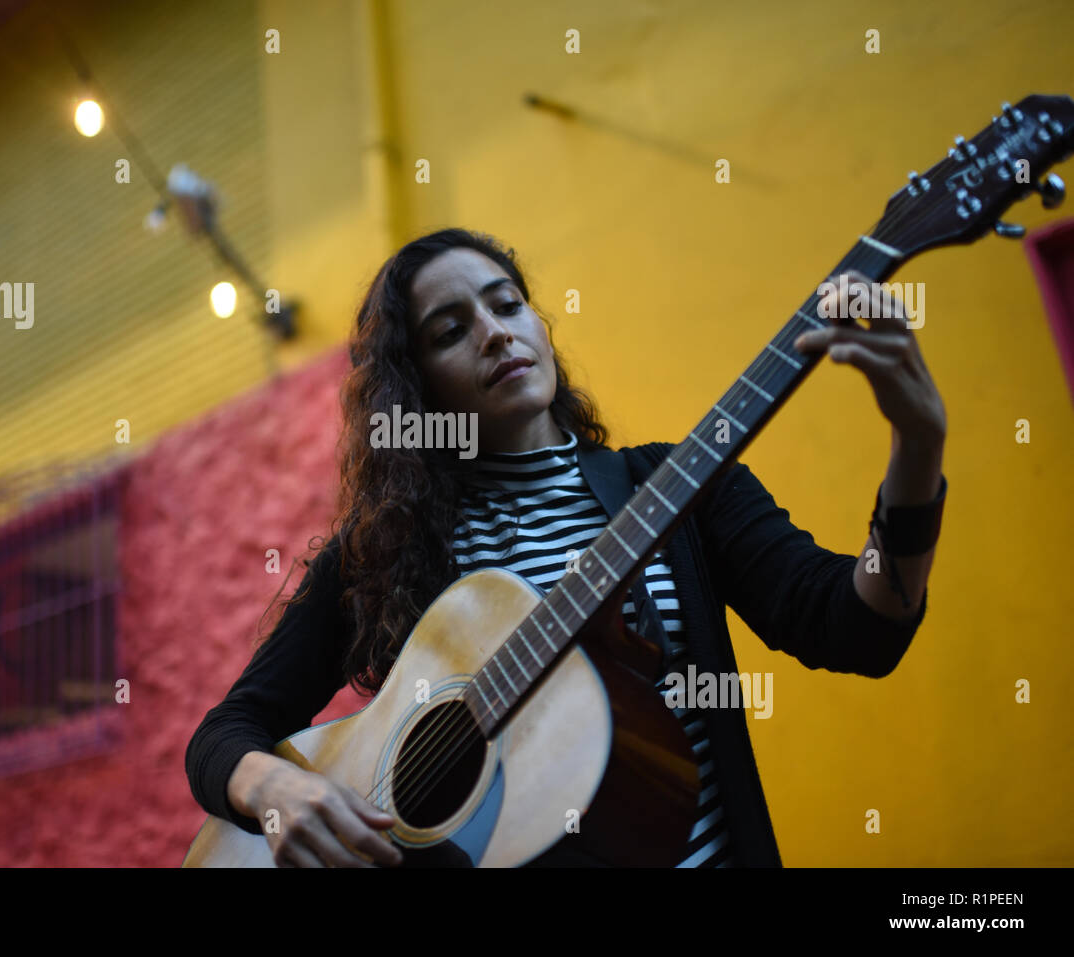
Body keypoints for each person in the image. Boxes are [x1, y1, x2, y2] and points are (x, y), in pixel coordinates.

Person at [185, 228, 948, 867]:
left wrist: (917, 450)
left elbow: (858, 629)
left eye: (508, 304)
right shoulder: (384, 552)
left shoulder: (682, 486)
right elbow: (224, 735)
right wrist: (273, 789)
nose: (495, 332)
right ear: (416, 390)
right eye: (450, 331)